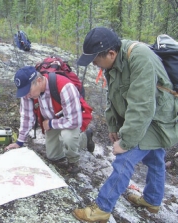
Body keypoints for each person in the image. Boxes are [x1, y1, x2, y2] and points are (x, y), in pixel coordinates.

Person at [72, 27, 178, 222]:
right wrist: (113, 125)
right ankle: (152, 200)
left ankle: (102, 209)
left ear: (111, 53)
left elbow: (142, 106)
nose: (95, 65)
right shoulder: (112, 63)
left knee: (125, 158)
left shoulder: (140, 58)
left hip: (157, 118)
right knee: (154, 157)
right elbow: (113, 95)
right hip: (146, 115)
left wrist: (126, 141)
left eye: (96, 60)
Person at [4, 66, 94, 174]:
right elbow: (27, 117)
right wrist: (19, 142)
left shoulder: (65, 87)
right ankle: (68, 145)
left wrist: (51, 123)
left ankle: (76, 155)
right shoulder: (28, 94)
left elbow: (74, 121)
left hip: (71, 120)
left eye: (28, 90)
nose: (27, 95)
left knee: (68, 137)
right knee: (53, 156)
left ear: (39, 80)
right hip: (54, 121)